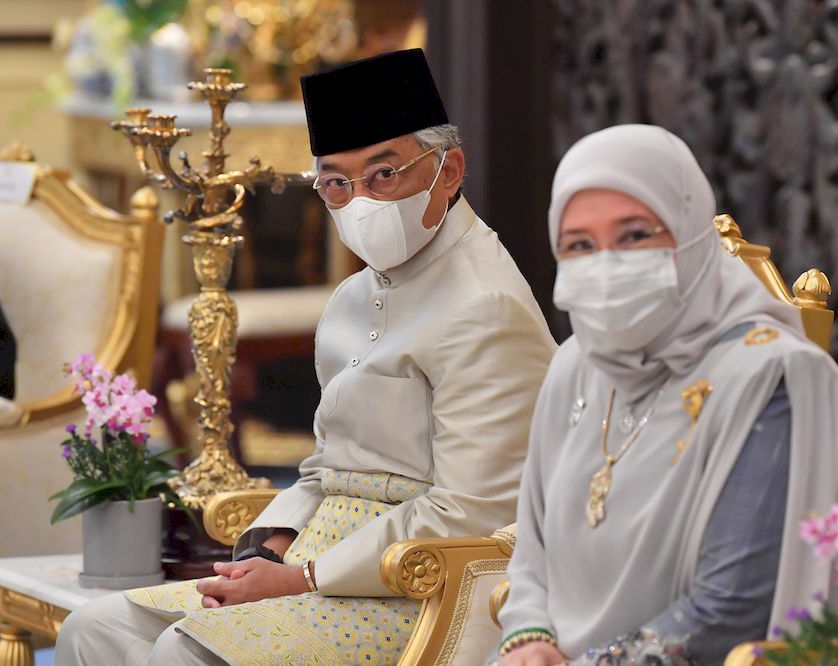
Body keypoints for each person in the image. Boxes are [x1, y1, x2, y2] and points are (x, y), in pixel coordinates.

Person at [57, 48, 557, 666]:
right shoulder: (351, 297)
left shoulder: (486, 306)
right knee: (95, 630)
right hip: (313, 561)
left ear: (448, 170)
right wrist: (271, 545)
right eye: (336, 183)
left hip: (417, 589)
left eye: (384, 174)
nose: (361, 201)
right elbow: (325, 467)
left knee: (181, 654)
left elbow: (474, 513)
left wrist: (303, 578)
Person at [495, 124, 838, 666]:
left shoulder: (771, 376)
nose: (606, 263)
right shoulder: (574, 364)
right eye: (580, 245)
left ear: (690, 236)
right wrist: (527, 638)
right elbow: (531, 555)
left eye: (634, 236)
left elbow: (730, 610)